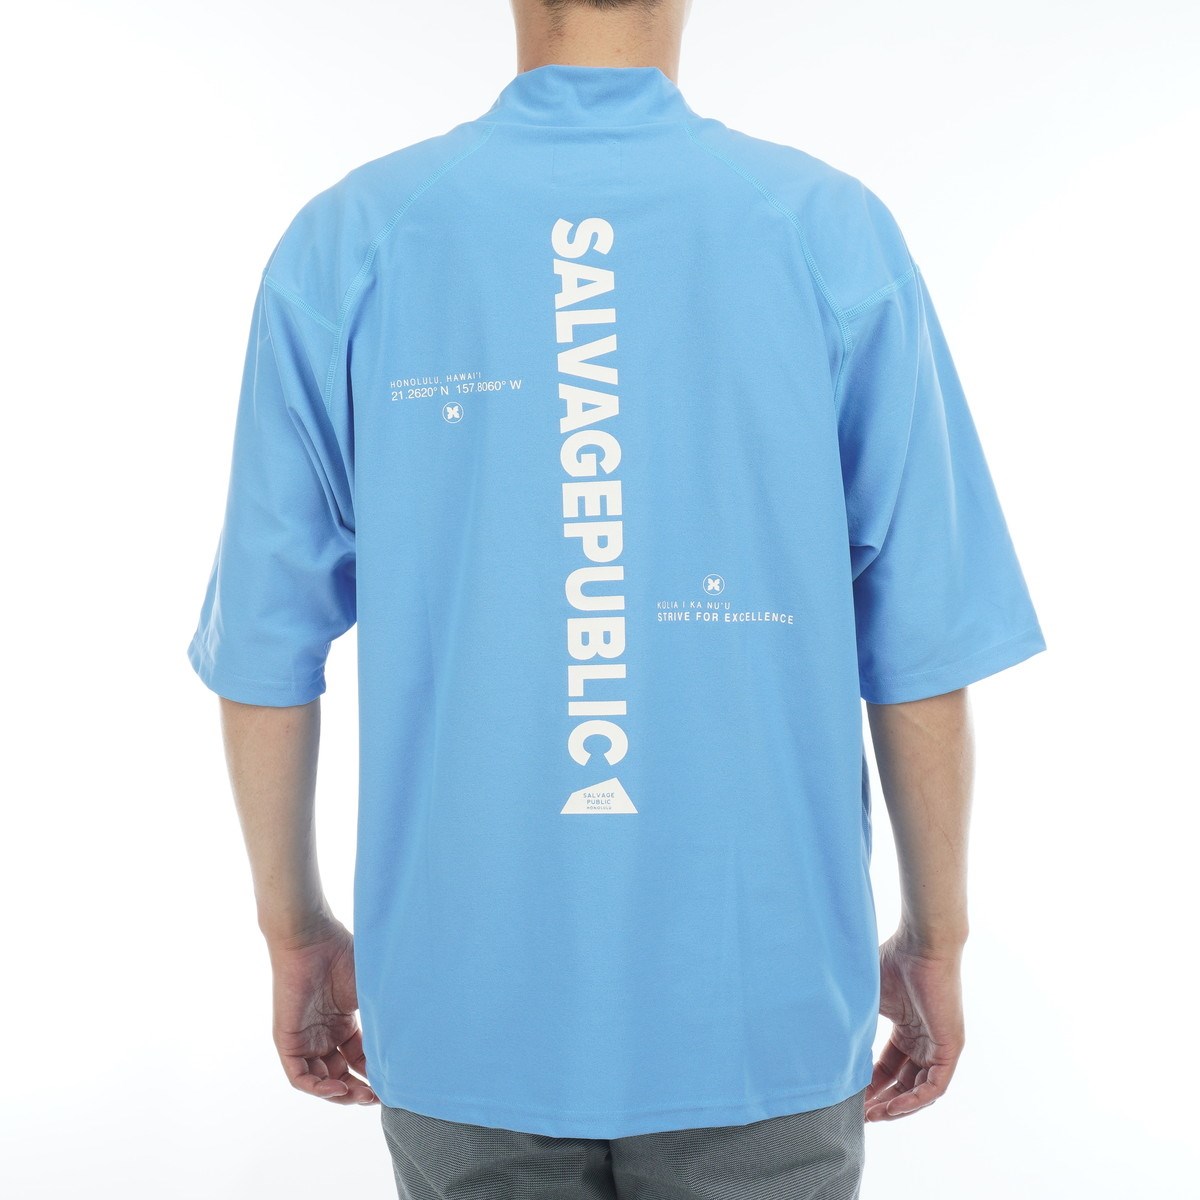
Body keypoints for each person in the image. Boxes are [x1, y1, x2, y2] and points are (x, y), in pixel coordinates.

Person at [184, 0, 1047, 1195]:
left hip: (464, 1001)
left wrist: (295, 932)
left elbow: (262, 654)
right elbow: (920, 650)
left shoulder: (354, 241)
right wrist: (935, 938)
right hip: (761, 1006)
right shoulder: (827, 234)